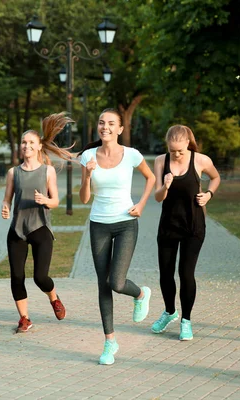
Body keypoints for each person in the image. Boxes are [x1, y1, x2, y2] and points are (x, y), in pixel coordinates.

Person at [78, 108, 156, 365]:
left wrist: (142, 204)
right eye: (102, 122)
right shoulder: (88, 156)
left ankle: (140, 294)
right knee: (103, 284)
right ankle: (110, 342)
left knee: (117, 282)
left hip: (125, 223)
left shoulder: (132, 155)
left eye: (111, 123)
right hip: (98, 223)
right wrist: (88, 175)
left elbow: (151, 177)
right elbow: (84, 198)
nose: (105, 127)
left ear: (120, 129)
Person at [1, 113, 73, 333]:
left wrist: (46, 201)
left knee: (40, 277)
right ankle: (24, 318)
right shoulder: (13, 172)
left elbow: (56, 201)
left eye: (31, 142)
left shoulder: (47, 171)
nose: (26, 145)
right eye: (24, 142)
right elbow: (7, 198)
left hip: (40, 228)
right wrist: (5, 207)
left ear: (39, 145)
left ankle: (53, 298)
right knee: (17, 276)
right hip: (17, 230)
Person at [151, 125, 221, 341]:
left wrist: (208, 194)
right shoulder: (161, 161)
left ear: (188, 144)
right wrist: (165, 186)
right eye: (173, 150)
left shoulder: (201, 160)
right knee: (165, 272)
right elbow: (158, 197)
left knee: (186, 273)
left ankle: (186, 321)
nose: (177, 154)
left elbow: (216, 178)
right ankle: (170, 312)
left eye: (180, 150)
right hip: (168, 226)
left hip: (193, 226)